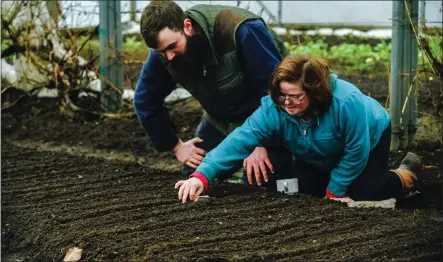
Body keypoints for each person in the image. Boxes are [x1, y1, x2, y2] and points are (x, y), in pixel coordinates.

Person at [175, 54, 422, 203]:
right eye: (281, 96)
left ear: (313, 91)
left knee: (365, 192)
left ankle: (405, 175)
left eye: (294, 96)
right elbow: (241, 138)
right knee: (304, 189)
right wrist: (203, 175)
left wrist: (335, 192)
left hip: (370, 138)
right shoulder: (275, 108)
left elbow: (356, 150)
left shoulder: (347, 104)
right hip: (317, 150)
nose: (287, 103)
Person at [134, 0, 293, 185]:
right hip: (220, 121)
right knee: (193, 177)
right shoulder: (165, 52)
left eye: (171, 47)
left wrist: (261, 142)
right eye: (161, 52)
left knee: (259, 179)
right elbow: (145, 100)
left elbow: (274, 91)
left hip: (267, 120)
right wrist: (175, 146)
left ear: (187, 26)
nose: (168, 56)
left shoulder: (240, 30)